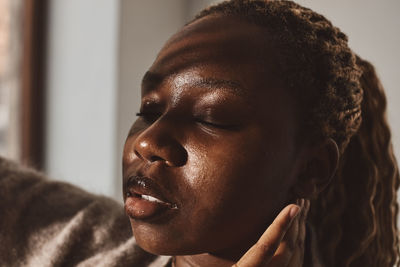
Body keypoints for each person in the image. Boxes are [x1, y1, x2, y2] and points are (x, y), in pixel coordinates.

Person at [0, 0, 398, 266]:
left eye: (211, 118)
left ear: (311, 168)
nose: (147, 141)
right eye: (149, 110)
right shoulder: (76, 240)